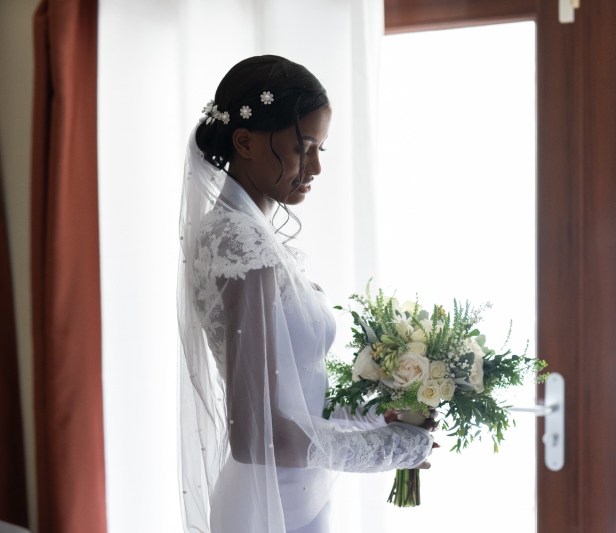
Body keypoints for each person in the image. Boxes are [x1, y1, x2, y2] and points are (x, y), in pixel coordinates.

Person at [177, 56, 435, 533]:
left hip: (301, 495)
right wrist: (393, 449)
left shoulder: (255, 237)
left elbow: (296, 399)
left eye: (320, 148)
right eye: (302, 147)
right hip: (266, 505)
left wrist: (378, 418)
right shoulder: (239, 241)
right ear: (245, 142)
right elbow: (254, 436)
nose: (315, 166)